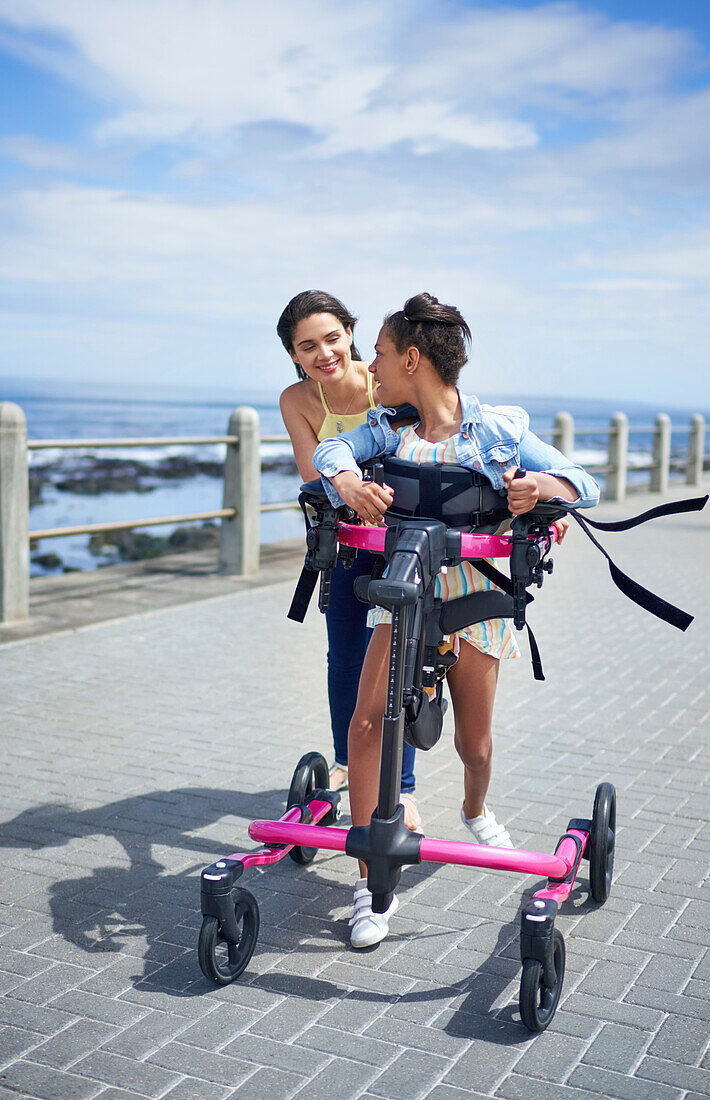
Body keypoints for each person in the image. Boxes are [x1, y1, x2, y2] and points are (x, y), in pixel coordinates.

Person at [312, 292, 600, 948]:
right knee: (365, 723)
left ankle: (474, 808)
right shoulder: (386, 428)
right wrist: (350, 483)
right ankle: (370, 881)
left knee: (474, 743)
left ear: (412, 358)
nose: (368, 366)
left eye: (378, 354)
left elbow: (585, 479)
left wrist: (545, 488)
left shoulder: (495, 430)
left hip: (476, 590)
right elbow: (333, 455)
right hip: (408, 583)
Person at [277, 291, 419, 827]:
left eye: (332, 338)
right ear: (294, 354)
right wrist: (350, 488)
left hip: (406, 544)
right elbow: (312, 477)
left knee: (401, 661)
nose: (324, 353)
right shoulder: (296, 400)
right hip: (345, 541)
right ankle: (344, 762)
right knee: (345, 656)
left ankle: (402, 788)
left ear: (351, 335)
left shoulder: (389, 380)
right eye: (307, 346)